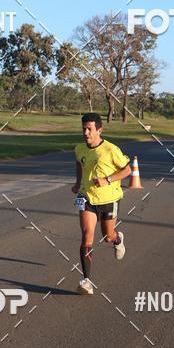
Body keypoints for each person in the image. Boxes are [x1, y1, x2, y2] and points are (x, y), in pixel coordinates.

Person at [72, 113, 132, 295]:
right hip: (87, 197)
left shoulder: (111, 149)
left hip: (109, 199)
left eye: (90, 129)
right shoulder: (79, 149)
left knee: (107, 236)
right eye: (84, 128)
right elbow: (79, 164)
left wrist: (108, 179)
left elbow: (127, 170)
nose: (86, 132)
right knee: (86, 234)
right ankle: (87, 281)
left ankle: (118, 239)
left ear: (99, 130)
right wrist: (77, 183)